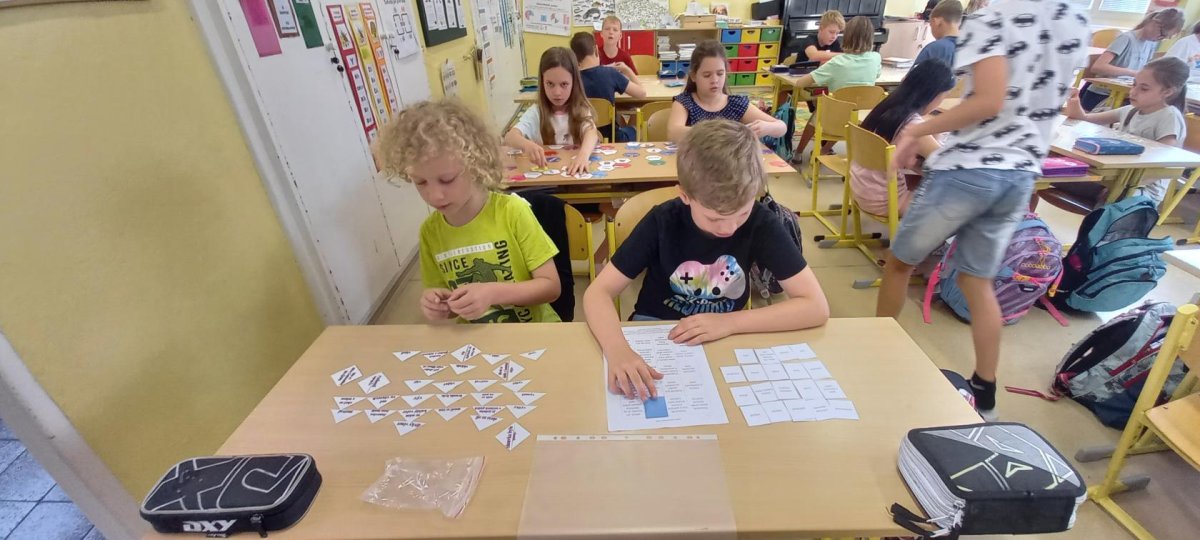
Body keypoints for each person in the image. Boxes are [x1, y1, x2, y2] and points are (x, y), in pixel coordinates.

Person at [879, 0, 1090, 420]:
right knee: (977, 281)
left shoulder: (993, 18)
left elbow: (988, 101)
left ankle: (875, 351)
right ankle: (985, 389)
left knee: (899, 263)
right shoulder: (1075, 18)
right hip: (1020, 174)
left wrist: (918, 130)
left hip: (971, 168)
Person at [583, 120, 829, 400]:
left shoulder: (761, 222)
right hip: (656, 327)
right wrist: (617, 351)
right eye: (714, 218)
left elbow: (816, 306)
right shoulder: (663, 221)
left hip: (726, 331)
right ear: (685, 196)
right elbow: (597, 293)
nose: (729, 228)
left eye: (742, 213)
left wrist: (731, 323)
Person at [376, 100, 561, 324]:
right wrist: (439, 304)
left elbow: (551, 287)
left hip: (533, 332)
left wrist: (492, 293)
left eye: (447, 180)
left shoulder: (512, 212)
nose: (434, 196)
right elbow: (447, 300)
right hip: (476, 338)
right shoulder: (430, 233)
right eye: (420, 182)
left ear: (476, 166)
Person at [1064, 57, 1189, 204]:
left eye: (1144, 89)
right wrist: (1074, 99)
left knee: (1112, 196)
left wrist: (1120, 183)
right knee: (1058, 174)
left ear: (1167, 92)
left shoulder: (1169, 117)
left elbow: (1161, 163)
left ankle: (1100, 217)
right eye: (1134, 85)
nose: (1133, 92)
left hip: (1141, 189)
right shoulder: (1131, 110)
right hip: (1113, 179)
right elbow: (1084, 118)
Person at [851, 59, 956, 217]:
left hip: (861, 189)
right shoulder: (913, 125)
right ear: (933, 95)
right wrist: (940, 132)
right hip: (887, 200)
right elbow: (946, 163)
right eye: (944, 96)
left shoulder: (887, 107)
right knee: (960, 196)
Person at [792, 16, 883, 156]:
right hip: (861, 115)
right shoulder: (876, 57)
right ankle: (824, 150)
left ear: (846, 36)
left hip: (835, 114)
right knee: (844, 111)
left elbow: (800, 83)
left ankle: (798, 153)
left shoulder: (838, 62)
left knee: (818, 114)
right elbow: (877, 75)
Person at [503, 47, 600, 175]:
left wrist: (583, 156)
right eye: (550, 84)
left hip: (574, 176)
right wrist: (526, 145)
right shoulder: (536, 112)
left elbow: (591, 133)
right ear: (542, 82)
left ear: (574, 83)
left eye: (564, 84)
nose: (557, 92)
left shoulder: (581, 109)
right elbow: (510, 137)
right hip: (546, 179)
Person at [666, 40, 786, 142]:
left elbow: (782, 127)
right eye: (707, 75)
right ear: (693, 76)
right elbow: (673, 132)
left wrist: (766, 127)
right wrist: (719, 132)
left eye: (720, 74)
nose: (715, 80)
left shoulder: (735, 104)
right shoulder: (685, 102)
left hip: (730, 162)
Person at [1080, 8, 1184, 111]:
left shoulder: (1151, 44)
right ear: (1155, 23)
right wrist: (1132, 73)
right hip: (1101, 96)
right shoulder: (1126, 38)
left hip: (1125, 96)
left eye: (1165, 38)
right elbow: (1098, 67)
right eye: (1162, 34)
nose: (1160, 39)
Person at [570, 31, 646, 142]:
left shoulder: (570, 79)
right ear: (596, 50)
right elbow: (642, 94)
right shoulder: (610, 73)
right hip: (611, 138)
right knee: (634, 129)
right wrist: (627, 70)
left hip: (581, 138)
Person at [913, 0, 961, 69]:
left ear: (937, 22)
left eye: (930, 24)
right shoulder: (967, 48)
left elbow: (914, 75)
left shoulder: (934, 49)